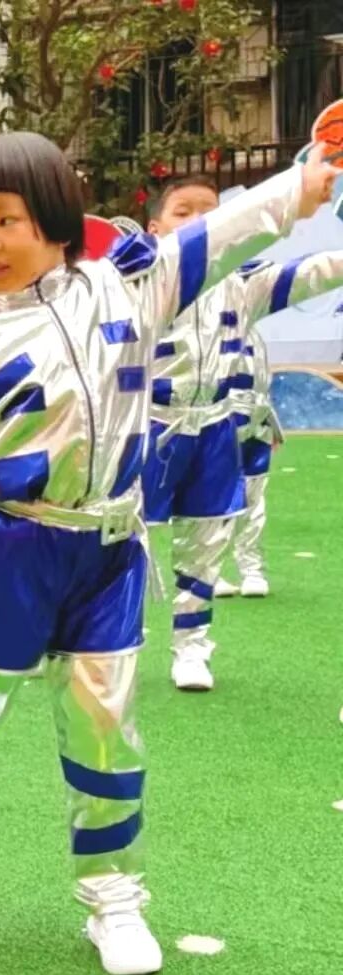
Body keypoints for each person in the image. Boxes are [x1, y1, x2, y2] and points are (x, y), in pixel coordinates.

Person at [0, 132, 336, 975]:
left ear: (57, 218)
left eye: (7, 219)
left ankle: (114, 896)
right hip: (6, 553)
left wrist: (301, 186)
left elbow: (217, 237)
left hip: (108, 552)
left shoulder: (130, 288)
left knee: (107, 733)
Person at [145, 174, 343, 689]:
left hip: (214, 428)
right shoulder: (141, 282)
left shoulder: (243, 283)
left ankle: (192, 649)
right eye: (183, 211)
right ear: (155, 229)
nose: (199, 221)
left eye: (209, 210)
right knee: (112, 542)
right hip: (147, 428)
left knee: (205, 542)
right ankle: (82, 639)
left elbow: (313, 273)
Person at [215, 327, 280, 598]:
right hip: (220, 424)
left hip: (257, 424)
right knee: (215, 501)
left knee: (254, 498)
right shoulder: (209, 330)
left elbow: (262, 384)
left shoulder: (254, 334)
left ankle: (252, 569)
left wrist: (271, 423)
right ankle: (207, 571)